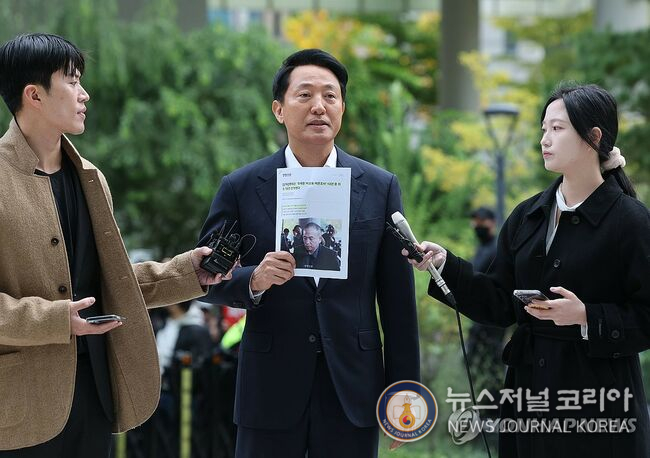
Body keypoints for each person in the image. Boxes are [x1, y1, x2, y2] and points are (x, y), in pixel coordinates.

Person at [0, 33, 230, 456]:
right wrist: (56, 319)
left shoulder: (91, 179)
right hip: (19, 408)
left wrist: (187, 273)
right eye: (72, 81)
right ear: (34, 94)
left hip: (95, 397)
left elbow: (111, 283)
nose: (84, 94)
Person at [407, 84, 650, 457]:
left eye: (557, 128)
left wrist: (587, 317)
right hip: (529, 394)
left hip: (599, 405)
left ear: (594, 137)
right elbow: (499, 302)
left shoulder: (629, 220)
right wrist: (445, 266)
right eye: (543, 129)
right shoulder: (528, 215)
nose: (544, 139)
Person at [198, 48, 420, 457]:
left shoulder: (379, 186)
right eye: (305, 95)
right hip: (270, 386)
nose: (319, 106)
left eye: (330, 96)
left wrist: (404, 393)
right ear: (279, 109)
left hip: (353, 387)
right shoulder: (241, 187)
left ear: (342, 108)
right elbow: (207, 278)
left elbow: (398, 301)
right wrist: (254, 279)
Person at [465, 207, 505, 408]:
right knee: (475, 361)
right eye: (474, 222)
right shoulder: (482, 248)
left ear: (492, 223)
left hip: (492, 320)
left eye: (481, 221)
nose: (477, 226)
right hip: (479, 318)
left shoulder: (496, 249)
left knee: (491, 363)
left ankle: (495, 408)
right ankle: (485, 405)